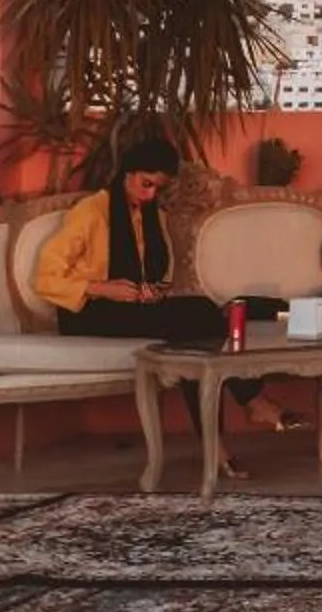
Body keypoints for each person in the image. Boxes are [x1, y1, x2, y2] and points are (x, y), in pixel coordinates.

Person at [32, 133, 290, 477]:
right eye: (146, 184)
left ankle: (218, 445)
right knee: (200, 315)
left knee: (195, 337)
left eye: (157, 188)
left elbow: (152, 274)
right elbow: (45, 279)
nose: (150, 194)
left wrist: (152, 292)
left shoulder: (153, 216)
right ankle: (253, 402)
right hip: (87, 312)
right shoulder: (91, 213)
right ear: (127, 172)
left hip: (129, 309)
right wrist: (102, 288)